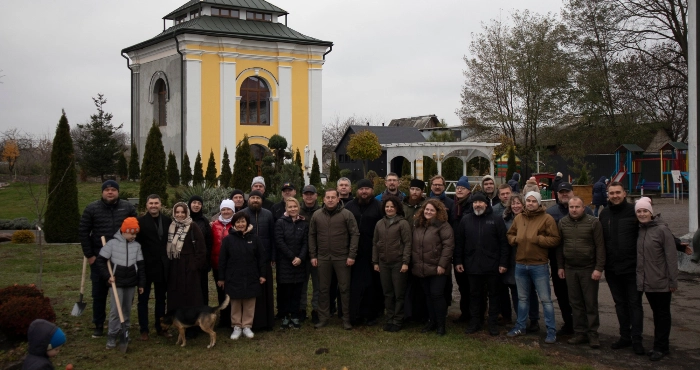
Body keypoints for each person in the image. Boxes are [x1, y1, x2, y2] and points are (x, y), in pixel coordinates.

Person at [78, 179, 137, 338]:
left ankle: (121, 323)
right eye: (107, 190)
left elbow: (135, 230)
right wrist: (90, 256)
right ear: (102, 192)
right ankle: (98, 324)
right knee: (99, 292)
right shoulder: (92, 208)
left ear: (118, 192)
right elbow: (84, 232)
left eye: (113, 189)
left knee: (122, 292)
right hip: (100, 257)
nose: (110, 192)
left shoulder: (127, 207)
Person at [506, 191, 560, 344]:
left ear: (538, 203)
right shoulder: (519, 218)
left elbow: (555, 239)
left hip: (539, 265)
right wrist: (515, 239)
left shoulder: (547, 219)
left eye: (533, 201)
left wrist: (539, 239)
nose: (530, 203)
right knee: (522, 299)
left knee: (546, 300)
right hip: (521, 264)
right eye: (528, 201)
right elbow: (510, 234)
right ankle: (520, 326)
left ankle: (551, 330)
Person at [598, 182, 645, 355]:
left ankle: (637, 339)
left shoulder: (634, 211)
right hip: (612, 269)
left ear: (624, 193)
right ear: (608, 195)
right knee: (620, 304)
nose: (615, 195)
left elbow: (652, 229)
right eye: (612, 193)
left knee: (635, 304)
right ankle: (625, 336)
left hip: (632, 268)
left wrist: (678, 244)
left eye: (618, 192)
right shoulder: (604, 214)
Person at [454, 193, 509, 336]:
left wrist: (503, 263)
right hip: (472, 266)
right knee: (474, 295)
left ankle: (492, 324)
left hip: (492, 265)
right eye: (475, 202)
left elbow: (504, 243)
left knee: (494, 295)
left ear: (486, 204)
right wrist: (458, 261)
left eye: (480, 202)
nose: (477, 205)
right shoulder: (466, 220)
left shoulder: (496, 220)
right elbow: (460, 243)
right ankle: (475, 322)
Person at [556, 196, 605, 348]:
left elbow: (600, 247)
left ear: (583, 208)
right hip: (570, 268)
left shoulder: (593, 222)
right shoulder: (563, 223)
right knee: (575, 303)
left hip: (588, 268)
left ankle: (593, 334)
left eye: (577, 207)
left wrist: (598, 268)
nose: (574, 210)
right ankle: (580, 333)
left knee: (590, 303)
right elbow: (559, 246)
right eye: (571, 207)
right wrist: (560, 266)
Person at [546, 182, 593, 336]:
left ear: (573, 193)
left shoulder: (587, 212)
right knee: (562, 295)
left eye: (567, 192)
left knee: (581, 297)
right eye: (561, 192)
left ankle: (584, 327)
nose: (564, 194)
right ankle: (569, 323)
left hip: (581, 262)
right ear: (557, 194)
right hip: (557, 262)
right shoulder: (551, 213)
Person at [635, 197, 678, 361]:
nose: (642, 214)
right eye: (639, 211)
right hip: (646, 281)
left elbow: (671, 257)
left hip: (661, 280)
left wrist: (673, 281)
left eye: (645, 211)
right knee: (655, 313)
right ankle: (658, 345)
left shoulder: (662, 230)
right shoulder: (640, 229)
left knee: (662, 315)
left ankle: (662, 347)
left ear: (651, 212)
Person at [309, 189, 360, 330]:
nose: (330, 200)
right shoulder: (317, 215)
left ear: (338, 199)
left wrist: (351, 255)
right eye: (328, 197)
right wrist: (313, 255)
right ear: (323, 199)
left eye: (333, 197)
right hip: (323, 258)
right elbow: (311, 235)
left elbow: (355, 234)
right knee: (323, 289)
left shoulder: (346, 214)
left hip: (342, 257)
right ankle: (323, 318)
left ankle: (346, 319)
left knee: (344, 288)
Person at [96, 217, 145, 349]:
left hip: (131, 282)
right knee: (115, 311)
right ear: (124, 231)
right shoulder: (112, 244)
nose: (134, 236)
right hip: (116, 282)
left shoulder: (137, 246)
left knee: (127, 309)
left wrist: (141, 283)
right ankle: (112, 335)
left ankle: (125, 332)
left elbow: (140, 266)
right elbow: (100, 261)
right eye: (131, 233)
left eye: (136, 233)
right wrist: (108, 276)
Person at [218, 211, 267, 340]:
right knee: (235, 302)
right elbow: (222, 260)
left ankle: (247, 326)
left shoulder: (254, 238)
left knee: (249, 302)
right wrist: (221, 277)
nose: (240, 224)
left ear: (247, 223)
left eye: (243, 221)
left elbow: (262, 258)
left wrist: (262, 274)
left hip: (251, 275)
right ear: (234, 224)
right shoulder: (228, 240)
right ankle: (236, 326)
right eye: (238, 222)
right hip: (233, 276)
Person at [345, 178, 384, 326]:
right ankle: (355, 314)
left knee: (371, 285)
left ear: (372, 190)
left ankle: (371, 314)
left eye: (367, 189)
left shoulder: (379, 207)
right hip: (353, 253)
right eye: (361, 189)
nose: (364, 192)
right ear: (357, 190)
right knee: (355, 285)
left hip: (372, 252)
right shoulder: (349, 206)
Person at [412, 199, 454, 336]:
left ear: (437, 212)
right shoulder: (418, 224)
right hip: (422, 267)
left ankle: (441, 325)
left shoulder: (443, 226)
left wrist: (442, 265)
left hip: (438, 268)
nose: (428, 212)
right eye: (426, 209)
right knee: (428, 296)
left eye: (431, 210)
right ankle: (432, 321)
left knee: (437, 295)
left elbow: (448, 246)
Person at [166, 202, 207, 339]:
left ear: (187, 213)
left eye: (182, 212)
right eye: (177, 212)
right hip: (175, 266)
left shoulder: (193, 226)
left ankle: (193, 327)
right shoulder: (171, 226)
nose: (180, 215)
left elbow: (201, 250)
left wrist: (194, 266)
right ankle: (178, 325)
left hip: (189, 267)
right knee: (176, 296)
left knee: (191, 297)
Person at [372, 196, 412, 332]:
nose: (389, 209)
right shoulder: (379, 224)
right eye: (387, 206)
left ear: (397, 208)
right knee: (388, 293)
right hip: (383, 263)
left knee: (398, 293)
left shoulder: (403, 223)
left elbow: (407, 243)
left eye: (392, 207)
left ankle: (398, 319)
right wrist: (375, 261)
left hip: (398, 263)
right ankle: (389, 318)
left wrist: (406, 262)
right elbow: (375, 243)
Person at [503, 193, 540, 332]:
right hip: (512, 259)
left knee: (530, 291)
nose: (516, 206)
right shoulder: (505, 219)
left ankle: (534, 319)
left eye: (518, 203)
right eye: (513, 203)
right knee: (515, 291)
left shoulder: (530, 218)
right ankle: (521, 320)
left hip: (528, 258)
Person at [136, 194, 172, 340]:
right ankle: (144, 329)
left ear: (160, 204)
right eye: (151, 203)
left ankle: (160, 327)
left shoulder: (167, 221)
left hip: (162, 266)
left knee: (161, 299)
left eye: (156, 203)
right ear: (146, 205)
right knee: (143, 299)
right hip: (145, 266)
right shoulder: (140, 222)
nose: (153, 206)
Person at [242, 191, 276, 331]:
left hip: (265, 258)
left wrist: (273, 256)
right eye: (253, 198)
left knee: (265, 290)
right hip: (248, 259)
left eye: (258, 198)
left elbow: (273, 237)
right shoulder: (243, 214)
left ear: (261, 200)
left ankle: (266, 321)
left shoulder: (268, 214)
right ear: (248, 200)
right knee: (250, 289)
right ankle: (250, 322)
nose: (255, 200)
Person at [275, 198, 309, 329]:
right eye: (290, 207)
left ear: (298, 208)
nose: (293, 209)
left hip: (299, 263)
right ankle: (284, 316)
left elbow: (306, 243)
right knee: (285, 292)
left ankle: (295, 315)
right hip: (285, 263)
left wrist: (300, 257)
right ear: (286, 209)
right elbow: (279, 242)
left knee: (297, 291)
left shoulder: (303, 224)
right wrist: (292, 257)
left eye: (295, 206)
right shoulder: (280, 223)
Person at [451, 176, 473, 324]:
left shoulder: (471, 205)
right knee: (463, 286)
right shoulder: (455, 205)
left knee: (472, 286)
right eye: (458, 187)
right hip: (457, 249)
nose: (459, 190)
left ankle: (474, 315)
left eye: (462, 188)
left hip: (470, 251)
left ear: (468, 191)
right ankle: (465, 313)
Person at [298, 185, 321, 323]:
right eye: (306, 194)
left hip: (318, 254)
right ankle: (301, 309)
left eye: (311, 194)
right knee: (302, 284)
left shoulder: (321, 211)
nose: (309, 196)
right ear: (303, 196)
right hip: (302, 254)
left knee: (318, 284)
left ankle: (316, 310)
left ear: (316, 195)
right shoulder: (297, 211)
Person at [188, 195, 212, 306]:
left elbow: (209, 242)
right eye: (194, 202)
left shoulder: (204, 221)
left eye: (199, 203)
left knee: (202, 288)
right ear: (189, 204)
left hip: (201, 260)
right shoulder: (184, 219)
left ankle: (202, 315)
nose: (196, 205)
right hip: (186, 261)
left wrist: (207, 261)